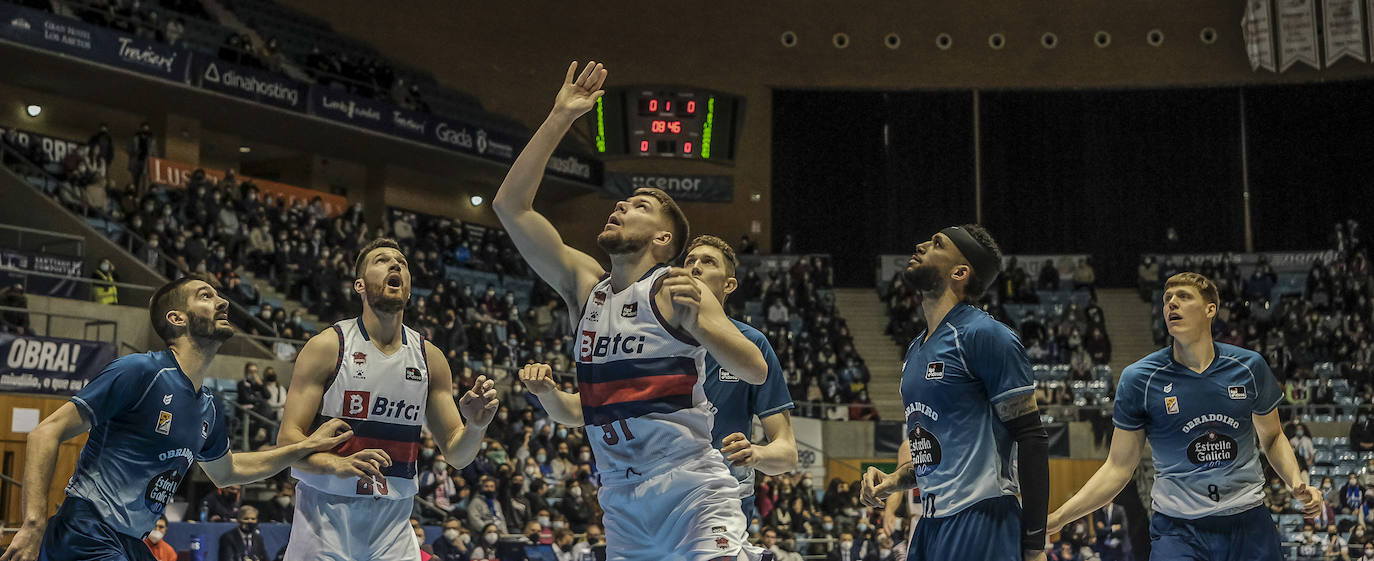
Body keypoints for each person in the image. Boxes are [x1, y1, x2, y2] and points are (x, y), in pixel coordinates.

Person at [498, 61, 768, 561]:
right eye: (621, 204)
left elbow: (753, 368)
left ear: (664, 239)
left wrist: (703, 328)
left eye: (639, 206)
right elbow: (512, 207)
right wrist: (560, 116)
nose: (620, 208)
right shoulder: (586, 288)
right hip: (620, 503)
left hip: (690, 490)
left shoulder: (674, 288)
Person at [1, 274, 354, 561]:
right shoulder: (140, 371)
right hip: (85, 532)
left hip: (130, 544)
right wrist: (32, 524)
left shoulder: (209, 407)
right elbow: (45, 432)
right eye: (206, 296)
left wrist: (306, 446)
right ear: (177, 318)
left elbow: (229, 471)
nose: (222, 302)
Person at [1046, 272, 1323, 560]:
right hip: (1178, 531)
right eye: (1167, 299)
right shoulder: (1139, 379)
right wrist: (1059, 517)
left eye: (1184, 297)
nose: (1171, 305)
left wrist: (1295, 482)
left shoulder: (1249, 367)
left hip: (1248, 524)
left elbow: (1274, 436)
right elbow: (1118, 467)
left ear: (1210, 309)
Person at [276, 238, 501, 561]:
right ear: (360, 285)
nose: (395, 265)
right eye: (382, 260)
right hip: (324, 517)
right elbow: (287, 445)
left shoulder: (430, 358)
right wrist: (337, 464)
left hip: (393, 524)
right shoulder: (328, 347)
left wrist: (476, 426)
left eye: (402, 263)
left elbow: (457, 453)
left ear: (408, 289)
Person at [860, 226, 1050, 561]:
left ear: (960, 272)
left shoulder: (986, 336)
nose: (919, 245)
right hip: (931, 526)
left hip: (983, 520)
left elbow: (1032, 438)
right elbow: (937, 457)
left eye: (936, 244)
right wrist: (893, 480)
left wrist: (1034, 546)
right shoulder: (916, 351)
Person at [685, 235, 799, 520]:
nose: (695, 267)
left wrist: (757, 455)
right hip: (659, 492)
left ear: (729, 285)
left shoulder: (752, 345)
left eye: (708, 262)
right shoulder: (655, 337)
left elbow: (787, 453)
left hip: (722, 499)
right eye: (689, 261)